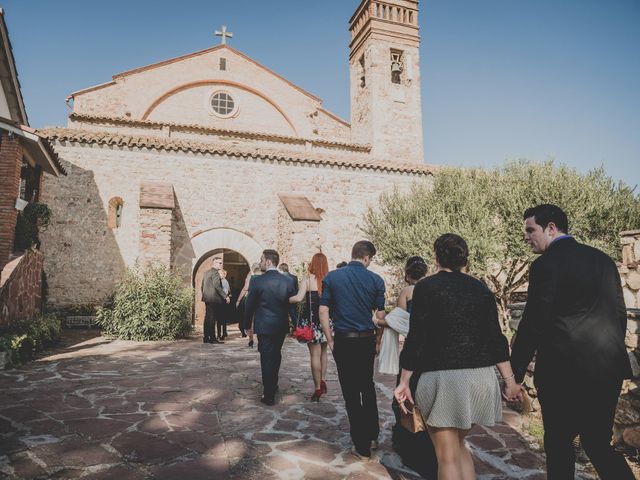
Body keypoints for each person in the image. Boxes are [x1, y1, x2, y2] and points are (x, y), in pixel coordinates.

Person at [511, 204, 634, 480]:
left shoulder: (545, 264)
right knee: (597, 444)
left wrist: (514, 373)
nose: (527, 237)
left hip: (563, 374)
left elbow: (533, 322)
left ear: (551, 228)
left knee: (558, 444)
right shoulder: (603, 260)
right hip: (607, 372)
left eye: (531, 230)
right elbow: (618, 315)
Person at [395, 234, 521, 480]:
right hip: (480, 380)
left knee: (446, 456)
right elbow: (496, 338)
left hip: (444, 380)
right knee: (459, 447)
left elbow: (417, 338)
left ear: (436, 256)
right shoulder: (481, 289)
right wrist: (509, 381)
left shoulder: (426, 287)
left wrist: (404, 381)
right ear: (464, 259)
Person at [319, 240, 385, 460]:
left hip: (344, 341)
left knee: (350, 391)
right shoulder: (376, 279)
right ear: (366, 257)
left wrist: (330, 340)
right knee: (367, 386)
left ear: (353, 253)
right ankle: (373, 435)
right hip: (366, 340)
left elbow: (323, 311)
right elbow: (380, 317)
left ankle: (361, 444)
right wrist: (378, 341)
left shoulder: (332, 277)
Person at [244, 249, 297, 406]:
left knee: (266, 358)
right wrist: (296, 324)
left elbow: (249, 305)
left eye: (261, 260)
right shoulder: (288, 281)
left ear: (268, 261)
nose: (260, 263)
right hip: (280, 326)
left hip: (264, 326)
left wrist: (247, 325)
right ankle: (273, 384)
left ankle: (268, 394)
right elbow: (292, 307)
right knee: (276, 354)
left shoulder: (256, 281)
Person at [289, 253, 332, 401]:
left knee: (314, 355)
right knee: (324, 352)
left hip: (312, 322)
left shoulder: (307, 280)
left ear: (313, 263)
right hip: (327, 322)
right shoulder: (330, 280)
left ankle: (317, 388)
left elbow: (299, 298)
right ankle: (324, 379)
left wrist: (287, 298)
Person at [201, 256, 230, 344]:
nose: (221, 265)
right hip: (214, 299)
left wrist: (205, 295)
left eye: (221, 263)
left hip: (207, 298)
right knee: (212, 318)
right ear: (214, 263)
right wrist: (226, 296)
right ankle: (213, 339)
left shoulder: (206, 273)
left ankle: (206, 338)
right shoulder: (215, 273)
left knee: (207, 318)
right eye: (219, 263)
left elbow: (202, 286)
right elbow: (217, 286)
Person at [237, 262, 261, 346]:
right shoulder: (265, 276)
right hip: (261, 301)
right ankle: (260, 339)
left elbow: (245, 288)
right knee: (259, 319)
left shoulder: (251, 276)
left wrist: (239, 300)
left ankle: (251, 338)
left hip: (252, 300)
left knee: (250, 319)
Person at [278, 263, 299, 330]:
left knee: (282, 316)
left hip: (283, 300)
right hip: (293, 299)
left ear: (281, 269)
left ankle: (284, 331)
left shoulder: (280, 277)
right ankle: (297, 330)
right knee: (294, 316)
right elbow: (296, 289)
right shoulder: (294, 277)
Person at [217, 269, 231, 340]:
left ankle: (221, 334)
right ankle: (222, 333)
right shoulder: (221, 281)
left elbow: (225, 292)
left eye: (220, 274)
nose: (219, 275)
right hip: (221, 301)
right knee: (221, 319)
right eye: (218, 274)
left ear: (223, 275)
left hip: (222, 302)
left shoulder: (224, 281)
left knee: (221, 319)